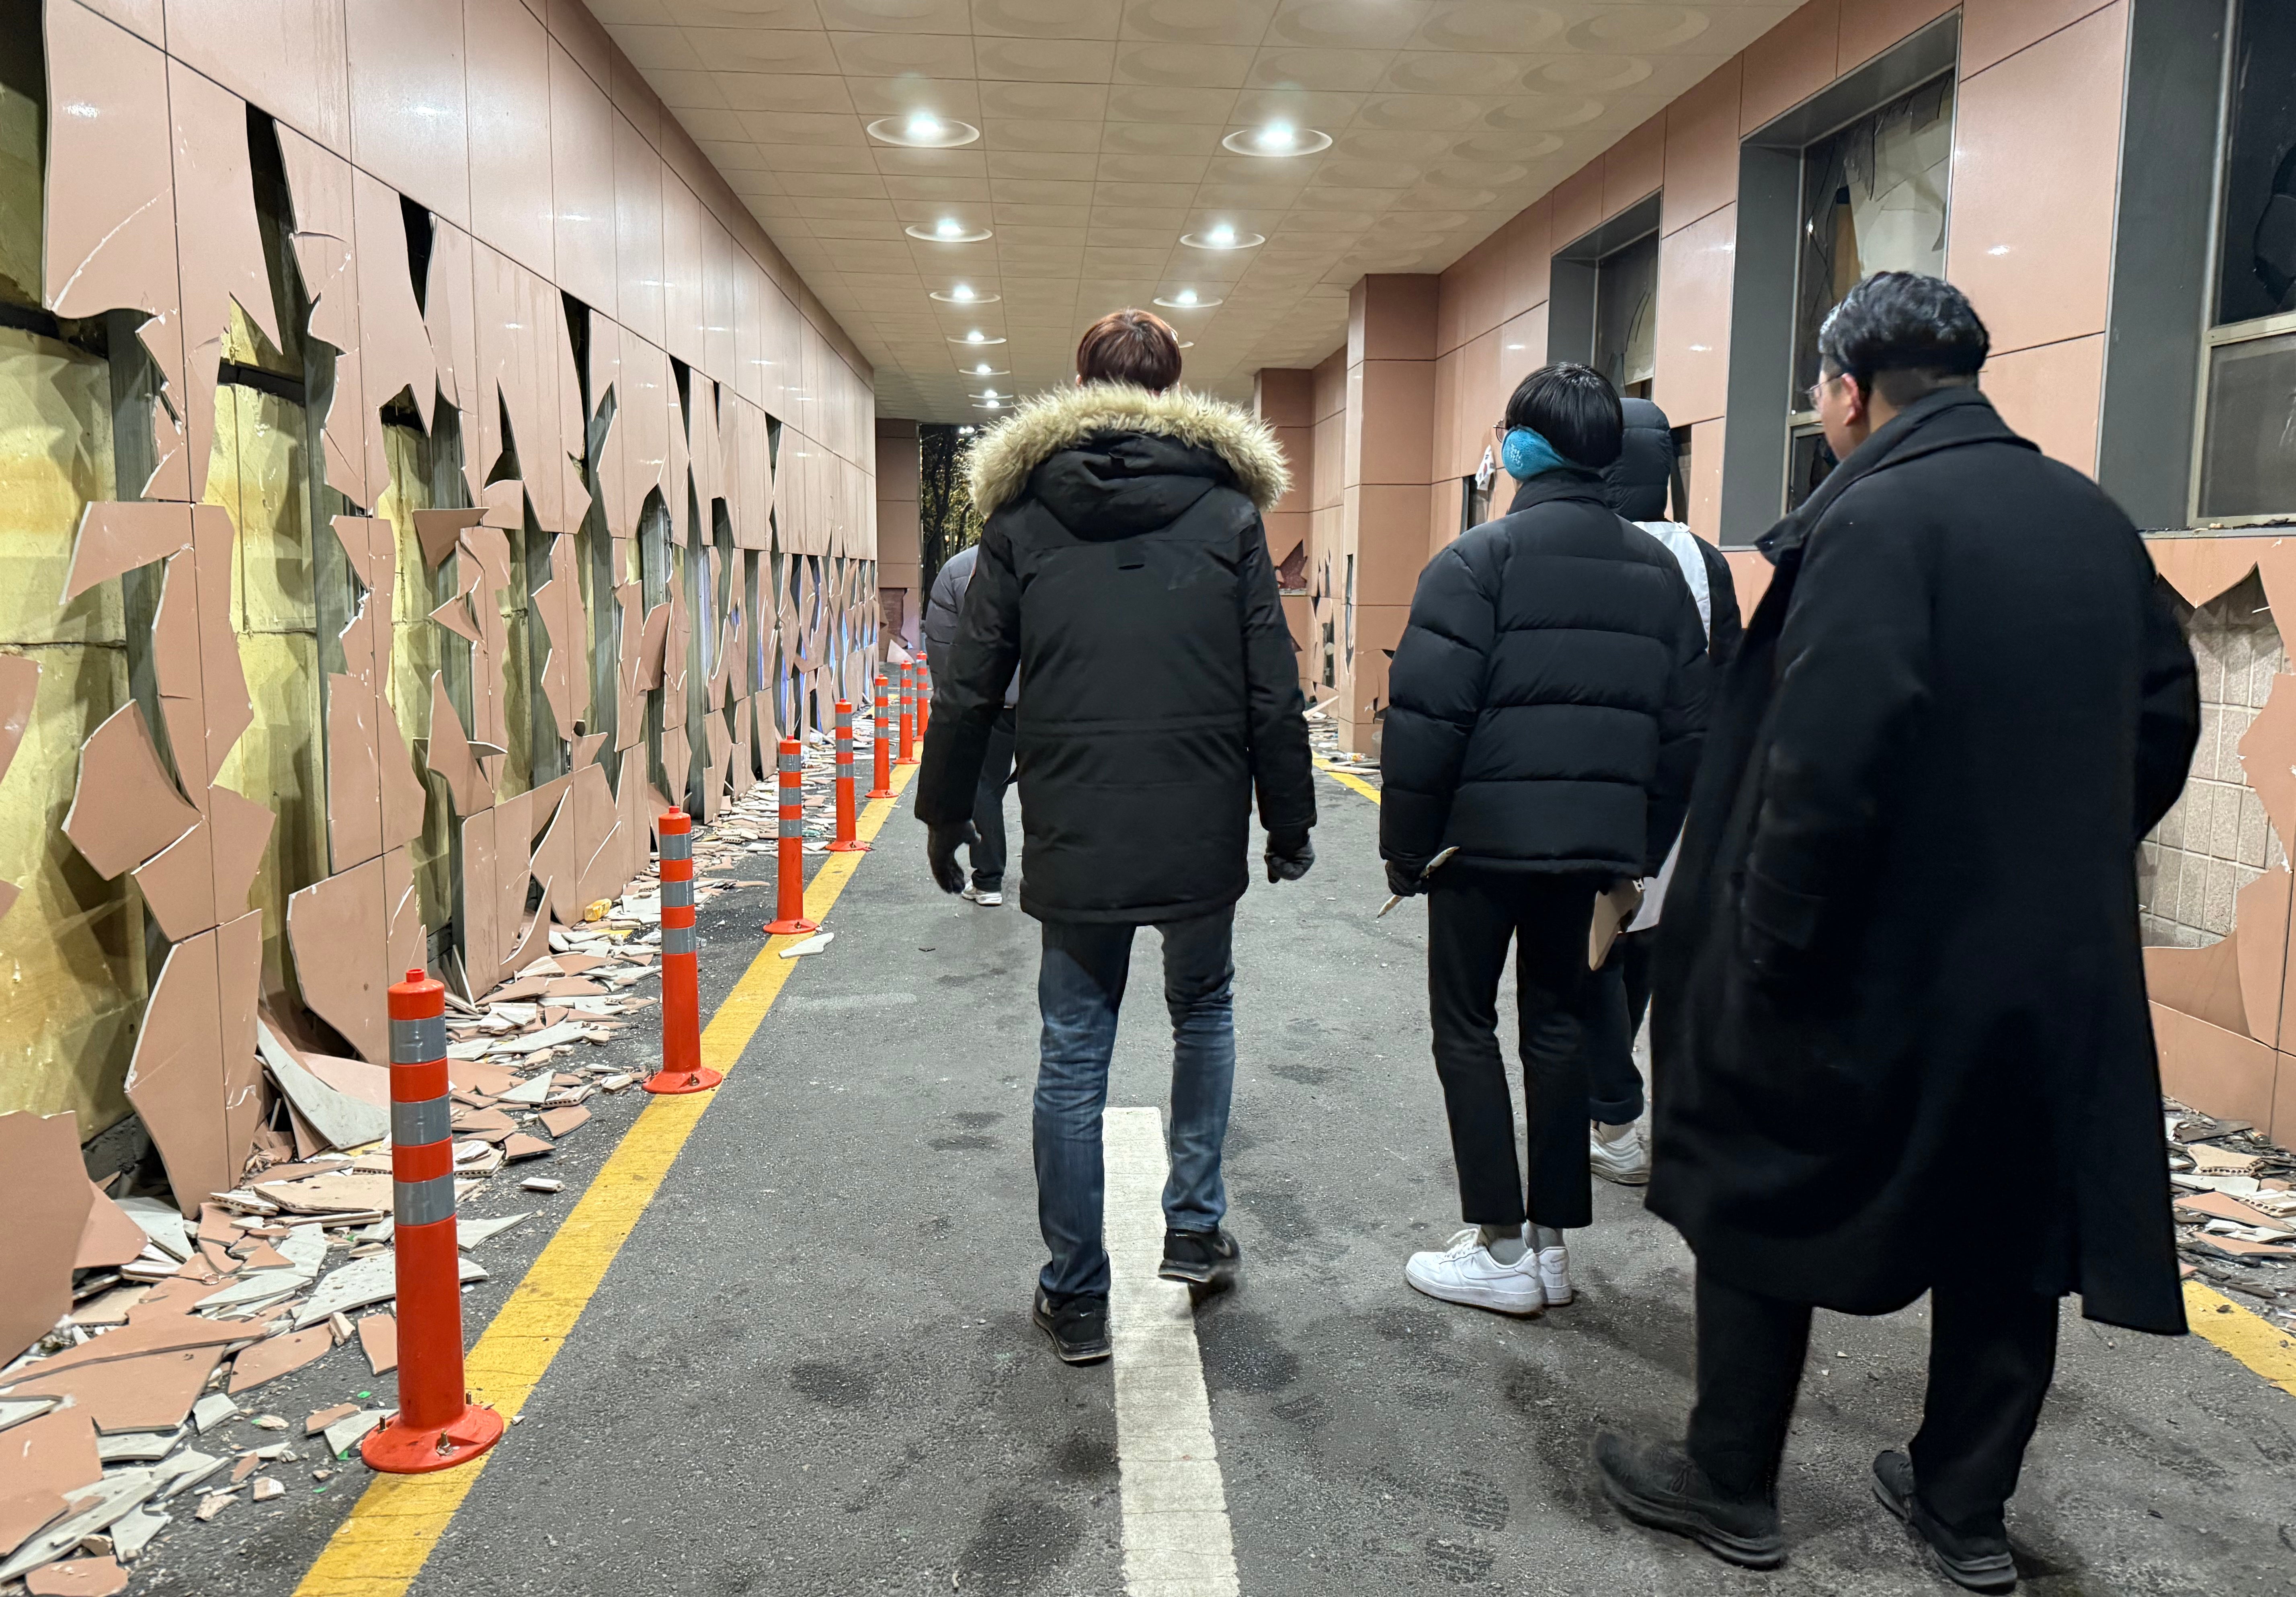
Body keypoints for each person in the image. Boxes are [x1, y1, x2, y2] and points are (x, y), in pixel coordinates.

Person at [1594, 273, 2200, 1592]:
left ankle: (1734, 1482)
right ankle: (1963, 1512)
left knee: (1760, 1182)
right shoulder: (2093, 521)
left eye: (1818, 395)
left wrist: (1768, 942)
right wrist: (2057, 858)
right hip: (2046, 962)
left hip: (1868, 947)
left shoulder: (1870, 519)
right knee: (2010, 1224)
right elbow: (2165, 721)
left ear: (1850, 392)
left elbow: (1828, 752)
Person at [915, 308, 1316, 1366]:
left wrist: (946, 809)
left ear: (1080, 381)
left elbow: (970, 687)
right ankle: (1193, 1227)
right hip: (1196, 827)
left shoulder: (1022, 518)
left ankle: (1077, 1292)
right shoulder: (1229, 515)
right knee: (1205, 1007)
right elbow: (1272, 687)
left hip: (1075, 824)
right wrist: (1290, 817)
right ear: (1175, 387)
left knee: (1072, 1051)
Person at [1380, 362, 1709, 1317]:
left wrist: (1408, 850)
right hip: (1592, 854)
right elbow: (1688, 736)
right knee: (1560, 1030)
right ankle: (1553, 1246)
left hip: (1481, 849)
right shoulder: (1657, 574)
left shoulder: (1476, 562)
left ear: (1524, 446)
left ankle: (1500, 1242)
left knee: (1467, 1027)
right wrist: (1636, 854)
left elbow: (1426, 722)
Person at [1582, 398, 1744, 1186]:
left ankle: (1614, 1114)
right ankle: (1611, 1108)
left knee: (1585, 953)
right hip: (1685, 788)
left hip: (1599, 779)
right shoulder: (1705, 557)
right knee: (1639, 938)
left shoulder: (1588, 544)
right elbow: (1736, 678)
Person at [922, 544, 1018, 906]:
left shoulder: (957, 570)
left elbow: (943, 648)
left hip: (986, 703)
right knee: (1053, 786)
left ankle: (989, 881)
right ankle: (1055, 882)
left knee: (984, 787)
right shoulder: (1059, 556)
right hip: (1049, 701)